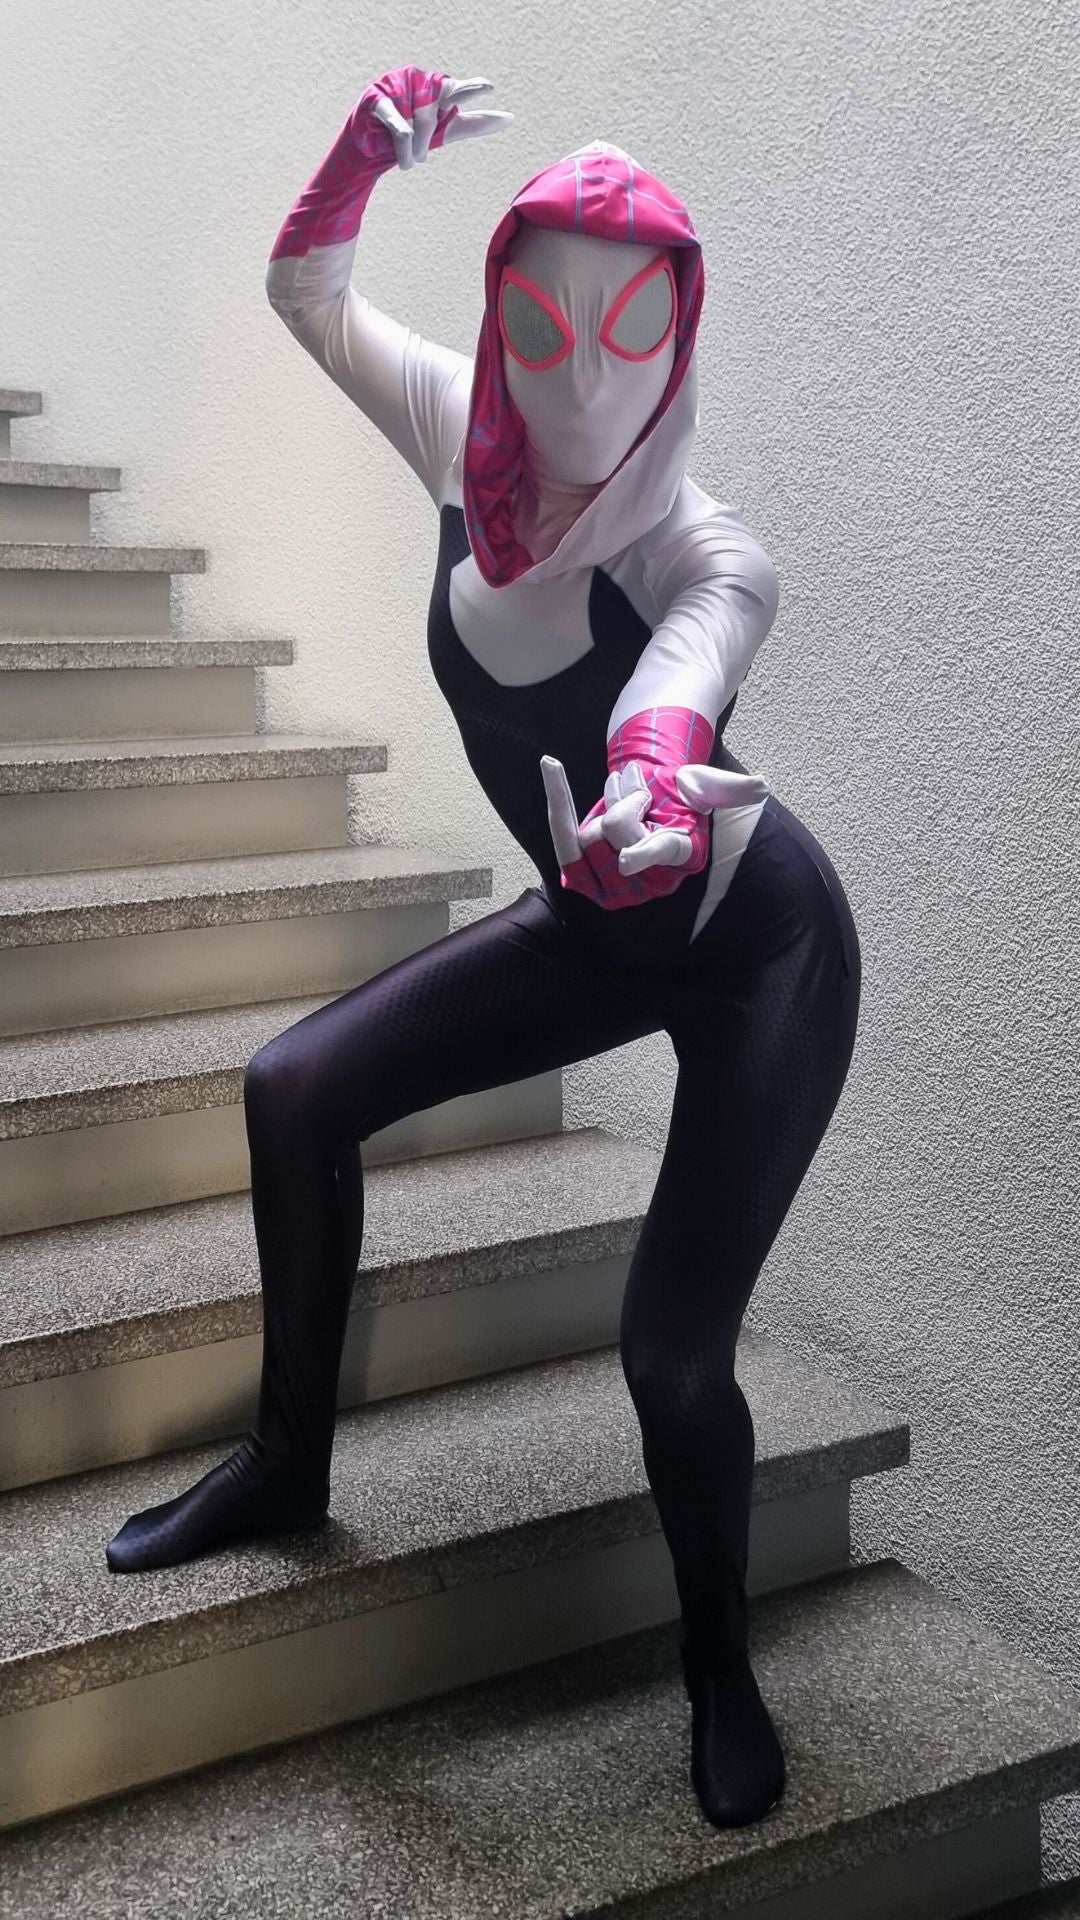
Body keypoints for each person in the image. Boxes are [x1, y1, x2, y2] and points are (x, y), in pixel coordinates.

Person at [105, 67, 862, 1830]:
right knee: (293, 1088)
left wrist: (654, 797)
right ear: (505, 313)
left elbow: (678, 692)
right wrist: (357, 157)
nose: (582, 377)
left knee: (673, 1359)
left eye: (630, 329)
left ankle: (720, 1662)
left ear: (681, 337)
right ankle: (287, 1465)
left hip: (758, 952)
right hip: (593, 921)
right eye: (544, 323)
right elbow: (309, 297)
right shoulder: (466, 425)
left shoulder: (704, 547)